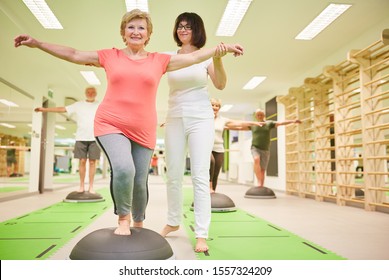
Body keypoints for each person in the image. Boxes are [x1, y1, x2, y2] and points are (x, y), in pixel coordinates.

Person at [14, 9, 243, 236]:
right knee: (125, 169)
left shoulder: (159, 60)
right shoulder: (109, 56)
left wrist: (221, 49)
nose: (136, 31)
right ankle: (123, 218)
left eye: (141, 28)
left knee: (140, 179)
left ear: (148, 34)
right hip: (110, 123)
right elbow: (74, 53)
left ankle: (139, 223)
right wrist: (38, 43)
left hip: (144, 129)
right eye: (131, 27)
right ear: (123, 32)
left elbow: (193, 58)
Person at [160, 12, 243, 253]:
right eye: (180, 26)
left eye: (188, 26)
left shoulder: (206, 57)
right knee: (173, 173)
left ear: (197, 30)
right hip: (174, 117)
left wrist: (218, 57)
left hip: (201, 118)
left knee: (199, 174)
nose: (183, 30)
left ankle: (201, 233)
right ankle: (173, 221)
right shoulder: (168, 56)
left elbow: (220, 85)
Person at [34, 87, 101, 193]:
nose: (90, 93)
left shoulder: (100, 105)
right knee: (82, 161)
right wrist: (45, 109)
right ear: (85, 93)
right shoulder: (78, 105)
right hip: (80, 137)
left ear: (96, 93)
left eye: (93, 92)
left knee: (92, 162)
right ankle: (82, 186)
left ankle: (91, 186)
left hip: (95, 137)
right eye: (88, 92)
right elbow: (62, 109)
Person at [209, 98, 263, 193]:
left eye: (217, 105)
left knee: (216, 172)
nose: (215, 107)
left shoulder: (222, 120)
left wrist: (254, 123)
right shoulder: (203, 118)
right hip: (206, 148)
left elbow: (239, 122)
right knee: (211, 163)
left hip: (219, 149)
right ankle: (207, 189)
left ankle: (212, 192)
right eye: (212, 105)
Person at [241, 109, 301, 188]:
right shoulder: (253, 125)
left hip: (265, 149)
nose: (260, 116)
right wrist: (225, 127)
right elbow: (240, 128)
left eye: (261, 114)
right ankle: (259, 181)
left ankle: (261, 186)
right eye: (258, 115)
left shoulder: (268, 123)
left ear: (264, 115)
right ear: (256, 116)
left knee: (262, 170)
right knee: (256, 159)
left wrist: (293, 121)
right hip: (255, 147)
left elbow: (280, 123)